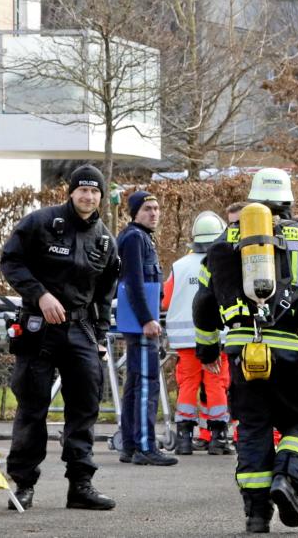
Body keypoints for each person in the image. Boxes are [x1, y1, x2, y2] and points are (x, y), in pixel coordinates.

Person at [193, 168, 298, 533]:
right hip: (293, 352)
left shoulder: (223, 243)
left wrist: (207, 350)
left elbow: (202, 303)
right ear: (289, 202)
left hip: (243, 353)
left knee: (254, 428)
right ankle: (287, 479)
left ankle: (257, 515)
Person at [0, 164, 120, 510]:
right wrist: (40, 294)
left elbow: (106, 293)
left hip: (81, 329)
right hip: (39, 328)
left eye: (95, 191)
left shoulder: (105, 239)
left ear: (100, 196)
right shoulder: (41, 223)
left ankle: (80, 485)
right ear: (71, 192)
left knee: (85, 407)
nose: (88, 196)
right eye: (82, 190)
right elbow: (11, 261)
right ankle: (23, 485)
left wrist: (100, 335)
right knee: (32, 406)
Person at [115, 191, 179, 467]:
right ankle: (144, 446)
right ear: (135, 213)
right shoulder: (134, 238)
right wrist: (146, 319)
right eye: (147, 209)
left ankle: (131, 445)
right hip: (142, 325)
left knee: (135, 384)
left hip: (141, 322)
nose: (154, 213)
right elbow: (133, 283)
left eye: (156, 208)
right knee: (146, 385)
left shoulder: (139, 237)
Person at [164, 211, 231, 456]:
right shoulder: (222, 263)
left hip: (184, 340)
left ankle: (184, 437)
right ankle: (219, 437)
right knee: (216, 383)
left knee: (188, 384)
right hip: (215, 336)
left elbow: (166, 300)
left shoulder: (179, 266)